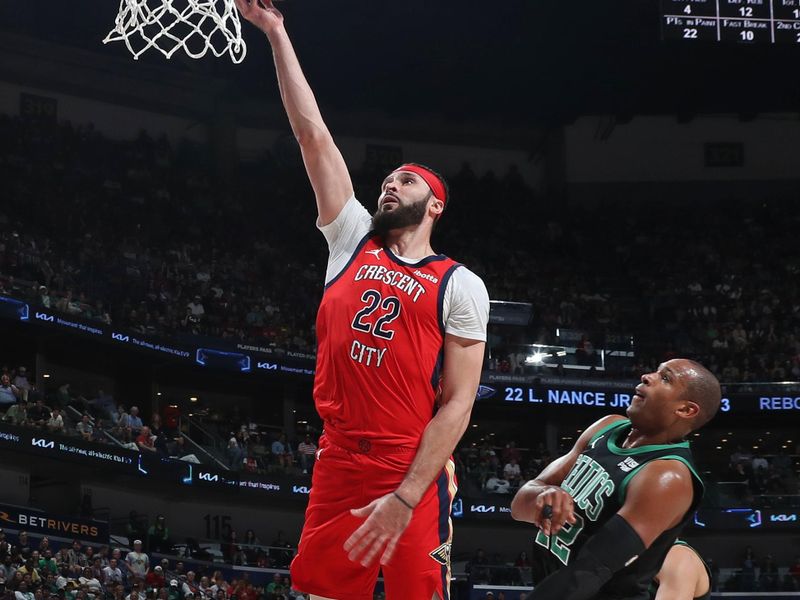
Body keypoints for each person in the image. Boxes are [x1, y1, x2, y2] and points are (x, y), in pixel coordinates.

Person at [235, 2, 490, 598]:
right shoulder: (351, 239)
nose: (390, 183)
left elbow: (457, 405)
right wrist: (276, 32)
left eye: (407, 180)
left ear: (435, 205)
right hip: (340, 457)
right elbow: (312, 134)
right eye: (388, 178)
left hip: (412, 464)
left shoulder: (460, 282)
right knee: (320, 592)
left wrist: (406, 495)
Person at [510, 359, 721, 600]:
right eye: (655, 370)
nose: (646, 376)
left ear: (685, 410)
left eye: (665, 378)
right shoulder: (607, 427)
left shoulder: (667, 475)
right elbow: (518, 506)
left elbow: (590, 570)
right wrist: (542, 496)